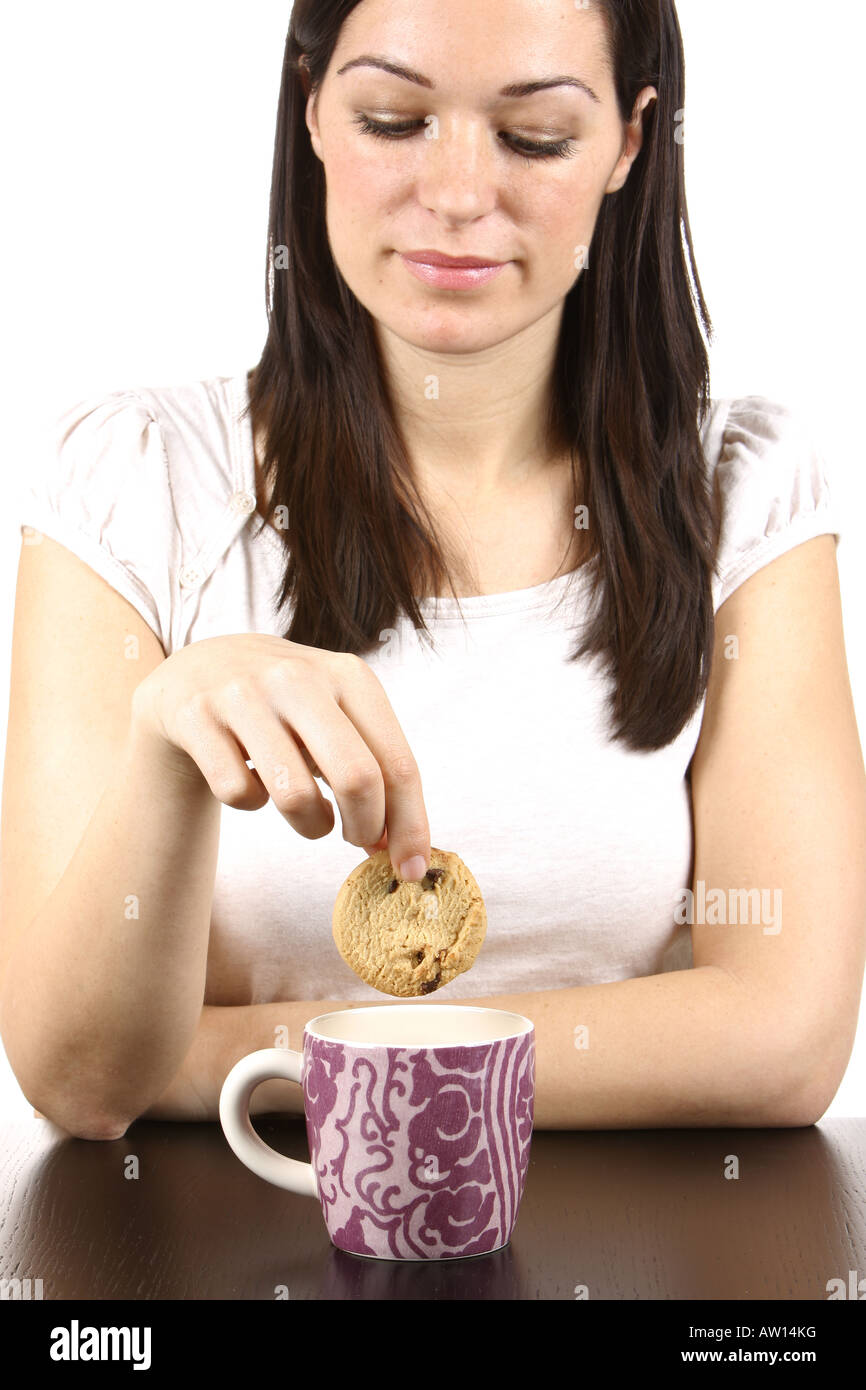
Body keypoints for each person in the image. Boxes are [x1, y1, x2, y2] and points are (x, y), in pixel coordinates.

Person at [1, 0, 864, 1140]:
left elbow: (781, 1042)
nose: (457, 196)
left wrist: (219, 1057)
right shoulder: (135, 481)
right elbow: (79, 1075)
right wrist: (168, 745)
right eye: (393, 118)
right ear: (309, 108)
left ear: (629, 142)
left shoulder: (739, 490)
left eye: (534, 137)